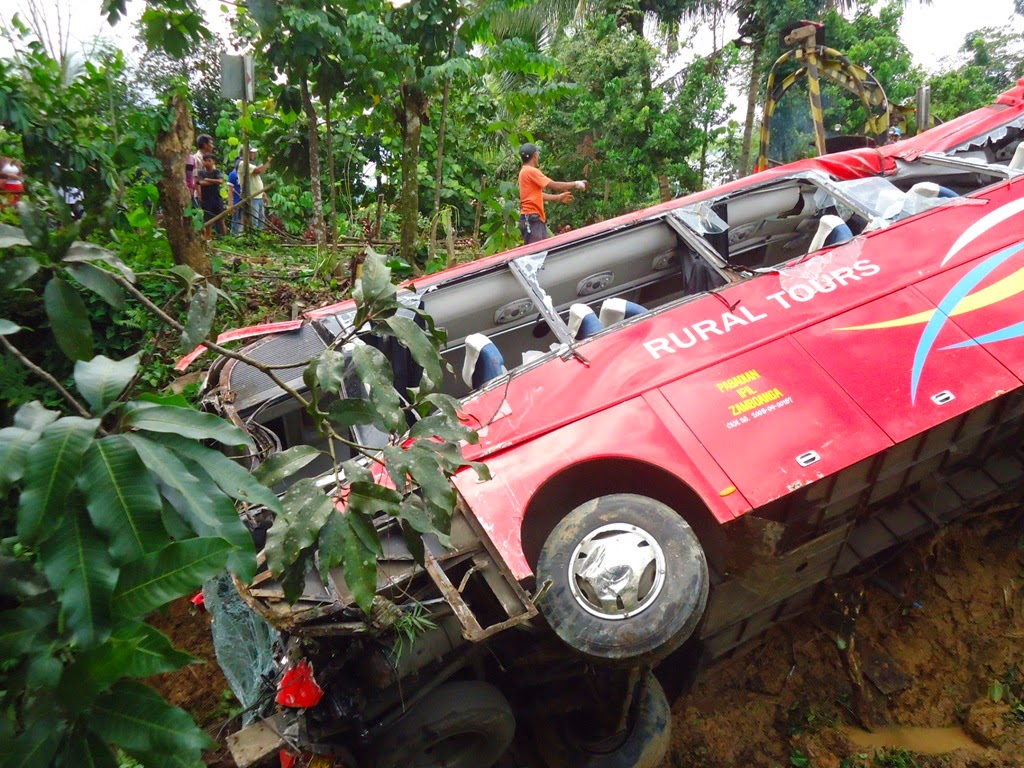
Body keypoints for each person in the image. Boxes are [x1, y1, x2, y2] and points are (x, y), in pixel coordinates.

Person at [517, 142, 587, 244]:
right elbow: (554, 185)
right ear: (535, 155)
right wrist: (576, 184)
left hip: (534, 219)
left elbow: (536, 195)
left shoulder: (524, 172)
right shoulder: (531, 171)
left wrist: (558, 197)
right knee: (537, 254)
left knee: (545, 250)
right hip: (531, 219)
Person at [197, 154, 226, 237]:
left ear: (214, 162)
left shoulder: (217, 172)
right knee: (208, 221)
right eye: (205, 161)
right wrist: (214, 182)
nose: (207, 163)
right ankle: (208, 238)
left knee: (221, 220)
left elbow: (220, 181)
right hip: (206, 199)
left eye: (209, 161)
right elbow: (201, 183)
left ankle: (225, 238)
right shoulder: (201, 173)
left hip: (217, 199)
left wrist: (208, 179)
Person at [241, 146, 270, 231]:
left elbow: (256, 179)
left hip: (258, 197)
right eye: (251, 152)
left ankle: (259, 239)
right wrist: (268, 161)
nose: (253, 154)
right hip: (253, 197)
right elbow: (258, 170)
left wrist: (263, 193)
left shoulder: (251, 164)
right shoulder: (243, 164)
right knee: (254, 222)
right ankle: (253, 240)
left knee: (261, 222)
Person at [227, 163, 242, 235]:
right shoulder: (233, 174)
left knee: (244, 219)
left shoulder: (245, 174)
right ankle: (234, 235)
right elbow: (230, 190)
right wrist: (230, 204)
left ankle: (241, 235)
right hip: (236, 201)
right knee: (235, 220)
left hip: (244, 200)